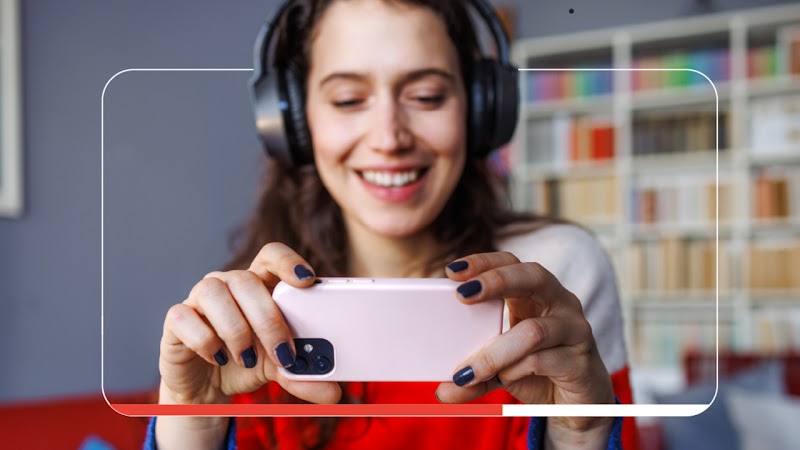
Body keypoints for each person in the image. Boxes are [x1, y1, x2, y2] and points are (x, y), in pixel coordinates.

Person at [147, 0, 638, 449]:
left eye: (426, 96)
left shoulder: (558, 272)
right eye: (346, 100)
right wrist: (193, 422)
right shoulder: (256, 309)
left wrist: (584, 432)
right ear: (295, 123)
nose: (389, 138)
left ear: (480, 109)